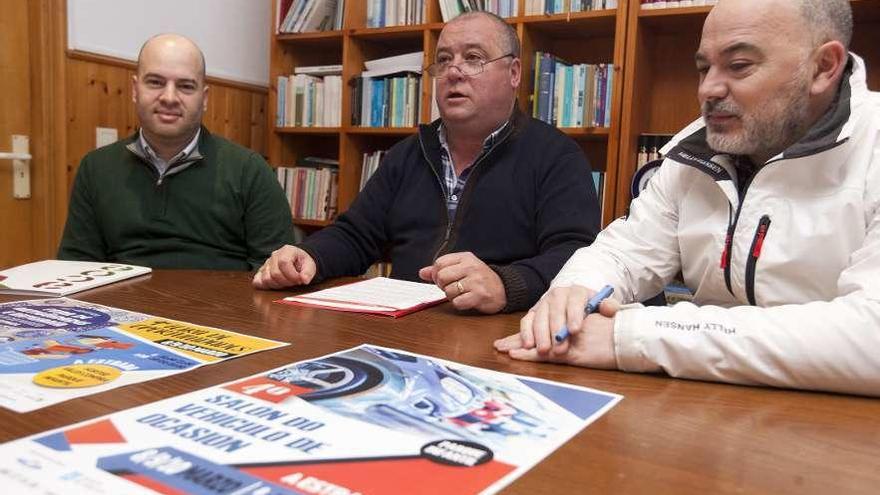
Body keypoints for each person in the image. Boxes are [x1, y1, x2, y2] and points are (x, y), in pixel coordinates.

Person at [496, 0, 880, 396]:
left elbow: (870, 338)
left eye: (739, 65)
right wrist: (573, 294)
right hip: (705, 403)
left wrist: (629, 337)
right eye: (703, 67)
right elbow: (625, 251)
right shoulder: (693, 148)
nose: (707, 89)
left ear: (823, 68)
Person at [253, 11, 600, 314]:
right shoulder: (408, 154)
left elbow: (576, 256)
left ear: (513, 73)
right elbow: (357, 235)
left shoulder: (556, 156)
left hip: (499, 332)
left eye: (474, 57)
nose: (454, 71)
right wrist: (309, 257)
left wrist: (506, 284)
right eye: (444, 59)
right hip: (403, 327)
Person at [57, 34, 295, 270]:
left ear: (204, 98)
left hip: (217, 306)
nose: (169, 97)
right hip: (120, 305)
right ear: (134, 89)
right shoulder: (96, 168)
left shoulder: (250, 172)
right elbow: (75, 268)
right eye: (155, 82)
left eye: (185, 86)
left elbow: (274, 274)